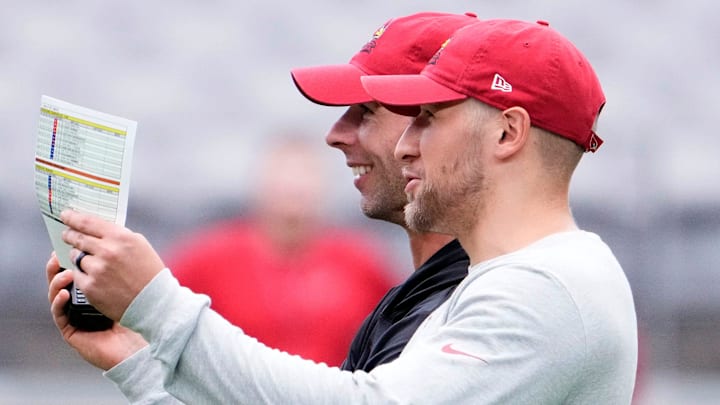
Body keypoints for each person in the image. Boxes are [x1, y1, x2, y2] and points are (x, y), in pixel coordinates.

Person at [48, 17, 638, 404]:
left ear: (508, 134)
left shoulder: (545, 286)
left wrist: (160, 306)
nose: (408, 141)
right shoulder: (515, 278)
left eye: (428, 117)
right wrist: (141, 366)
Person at [164, 135, 395, 367]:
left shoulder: (361, 262)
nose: (294, 186)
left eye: (305, 174)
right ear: (260, 182)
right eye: (284, 175)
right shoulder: (208, 258)